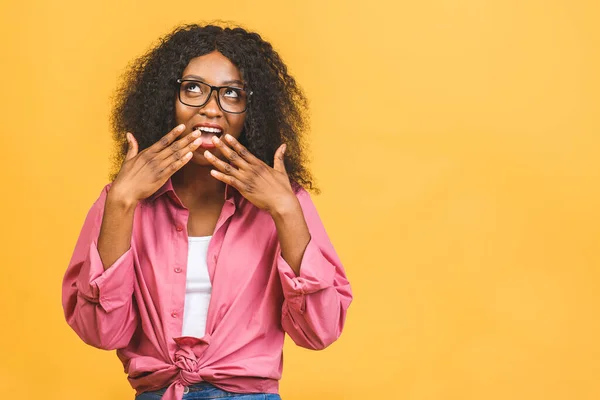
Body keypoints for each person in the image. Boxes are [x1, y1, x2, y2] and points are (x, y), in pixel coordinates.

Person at [61, 23, 352, 400]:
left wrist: (286, 211)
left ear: (253, 110)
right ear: (167, 100)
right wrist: (120, 203)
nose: (211, 109)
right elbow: (101, 332)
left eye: (231, 93)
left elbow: (320, 332)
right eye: (193, 88)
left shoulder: (284, 202)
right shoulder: (122, 200)